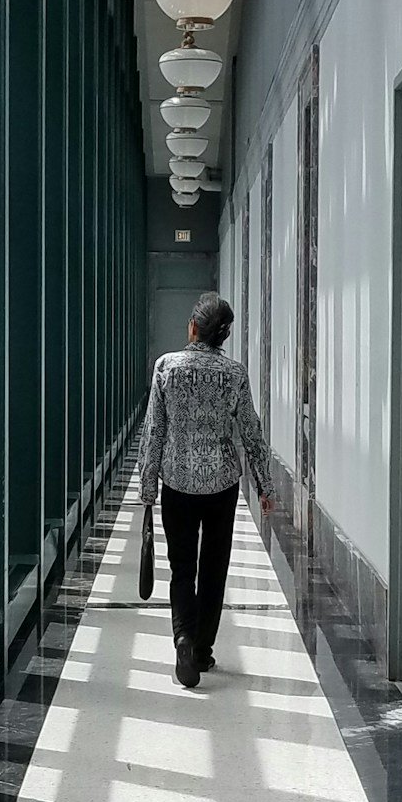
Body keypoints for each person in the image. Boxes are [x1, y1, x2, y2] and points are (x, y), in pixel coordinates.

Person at [137, 291, 273, 689]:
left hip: (177, 483)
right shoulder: (234, 374)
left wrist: (148, 489)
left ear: (193, 327)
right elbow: (251, 431)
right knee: (213, 570)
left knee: (182, 568)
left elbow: (154, 432)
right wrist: (264, 484)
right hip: (220, 486)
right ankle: (203, 650)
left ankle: (183, 637)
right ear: (223, 336)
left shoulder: (166, 367)